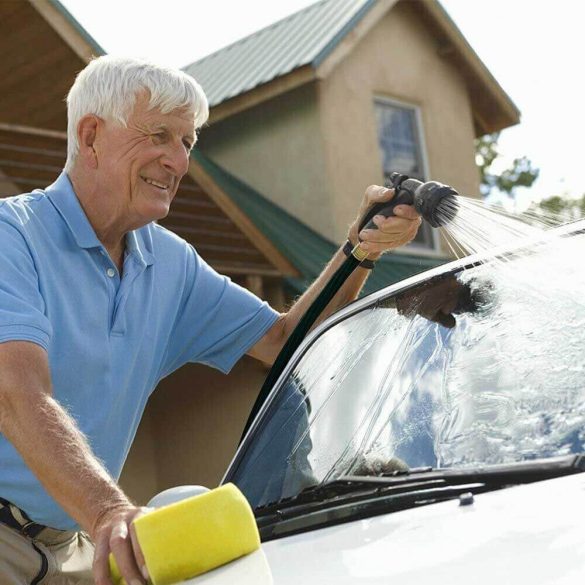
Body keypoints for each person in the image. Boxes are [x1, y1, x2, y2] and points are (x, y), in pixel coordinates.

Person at [0, 55, 421, 585]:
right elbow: (16, 392)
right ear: (90, 137)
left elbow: (287, 341)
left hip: (73, 546)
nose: (177, 161)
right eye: (159, 136)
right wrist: (110, 511)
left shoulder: (169, 263)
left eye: (187, 143)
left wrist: (360, 251)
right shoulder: (10, 236)